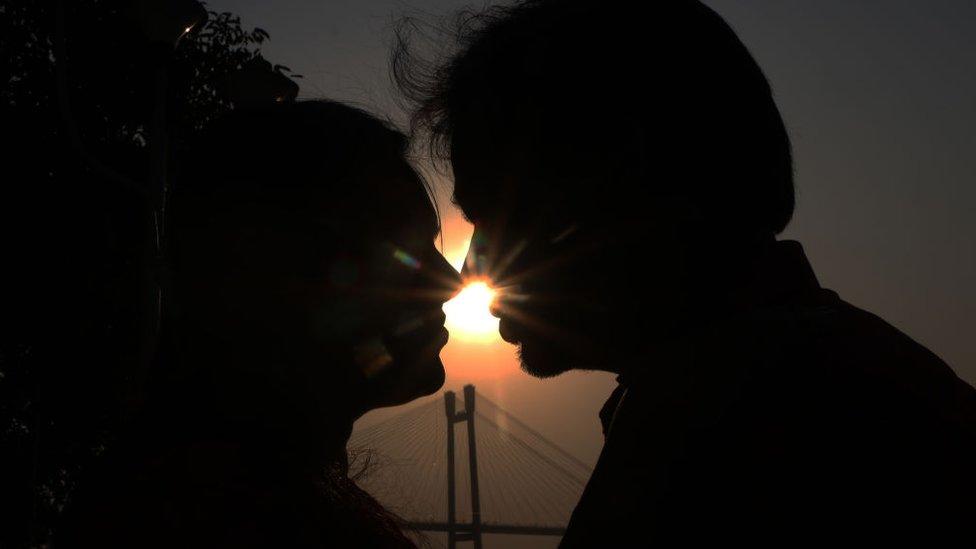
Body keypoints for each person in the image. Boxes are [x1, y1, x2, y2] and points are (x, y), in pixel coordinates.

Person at [393, 0, 976, 545]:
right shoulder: (838, 380)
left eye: (494, 218)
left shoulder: (753, 437)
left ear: (616, 176)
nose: (471, 270)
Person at [56, 100, 460, 548]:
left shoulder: (163, 488)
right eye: (406, 252)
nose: (450, 282)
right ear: (288, 275)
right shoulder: (218, 516)